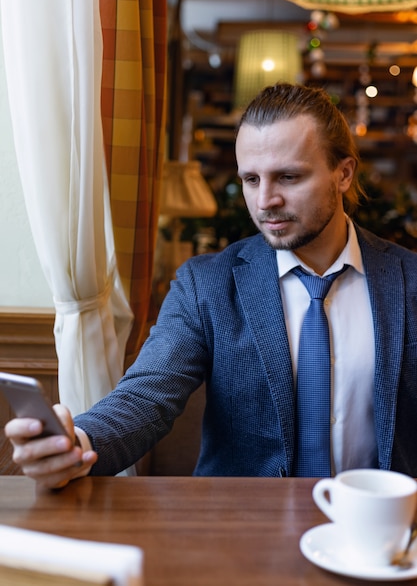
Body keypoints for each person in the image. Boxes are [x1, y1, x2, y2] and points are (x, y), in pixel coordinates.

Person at [5, 82, 417, 489]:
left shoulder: (409, 281)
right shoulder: (206, 285)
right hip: (239, 533)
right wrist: (76, 444)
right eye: (251, 180)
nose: (264, 200)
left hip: (378, 536)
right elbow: (148, 395)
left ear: (343, 173)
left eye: (288, 177)